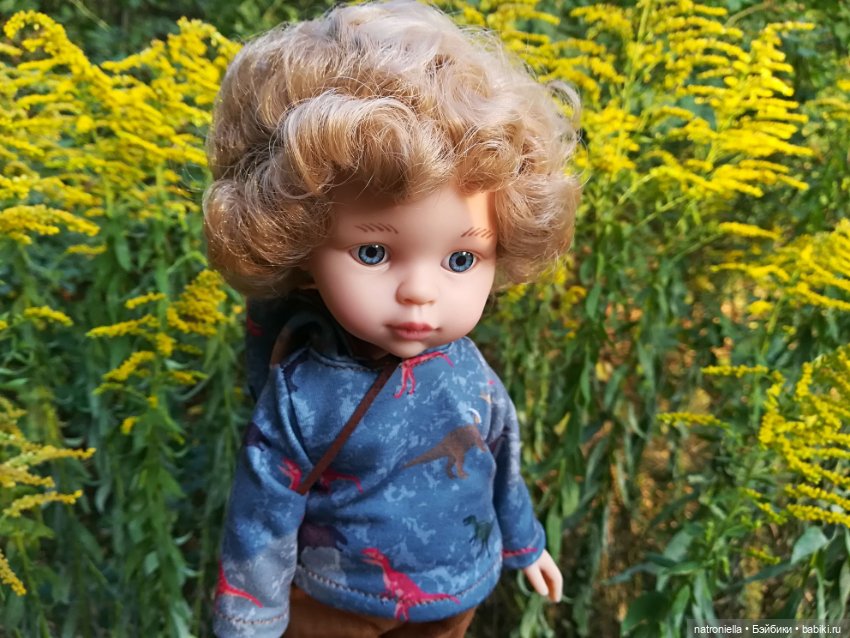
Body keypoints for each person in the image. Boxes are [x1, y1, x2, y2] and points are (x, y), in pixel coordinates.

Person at [203, 1, 580, 636]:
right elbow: (261, 513)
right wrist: (250, 620)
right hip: (333, 601)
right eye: (373, 252)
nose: (420, 293)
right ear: (299, 244)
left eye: (462, 258)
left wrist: (526, 544)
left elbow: (499, 460)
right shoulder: (305, 394)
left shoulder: (471, 375)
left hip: (455, 592)